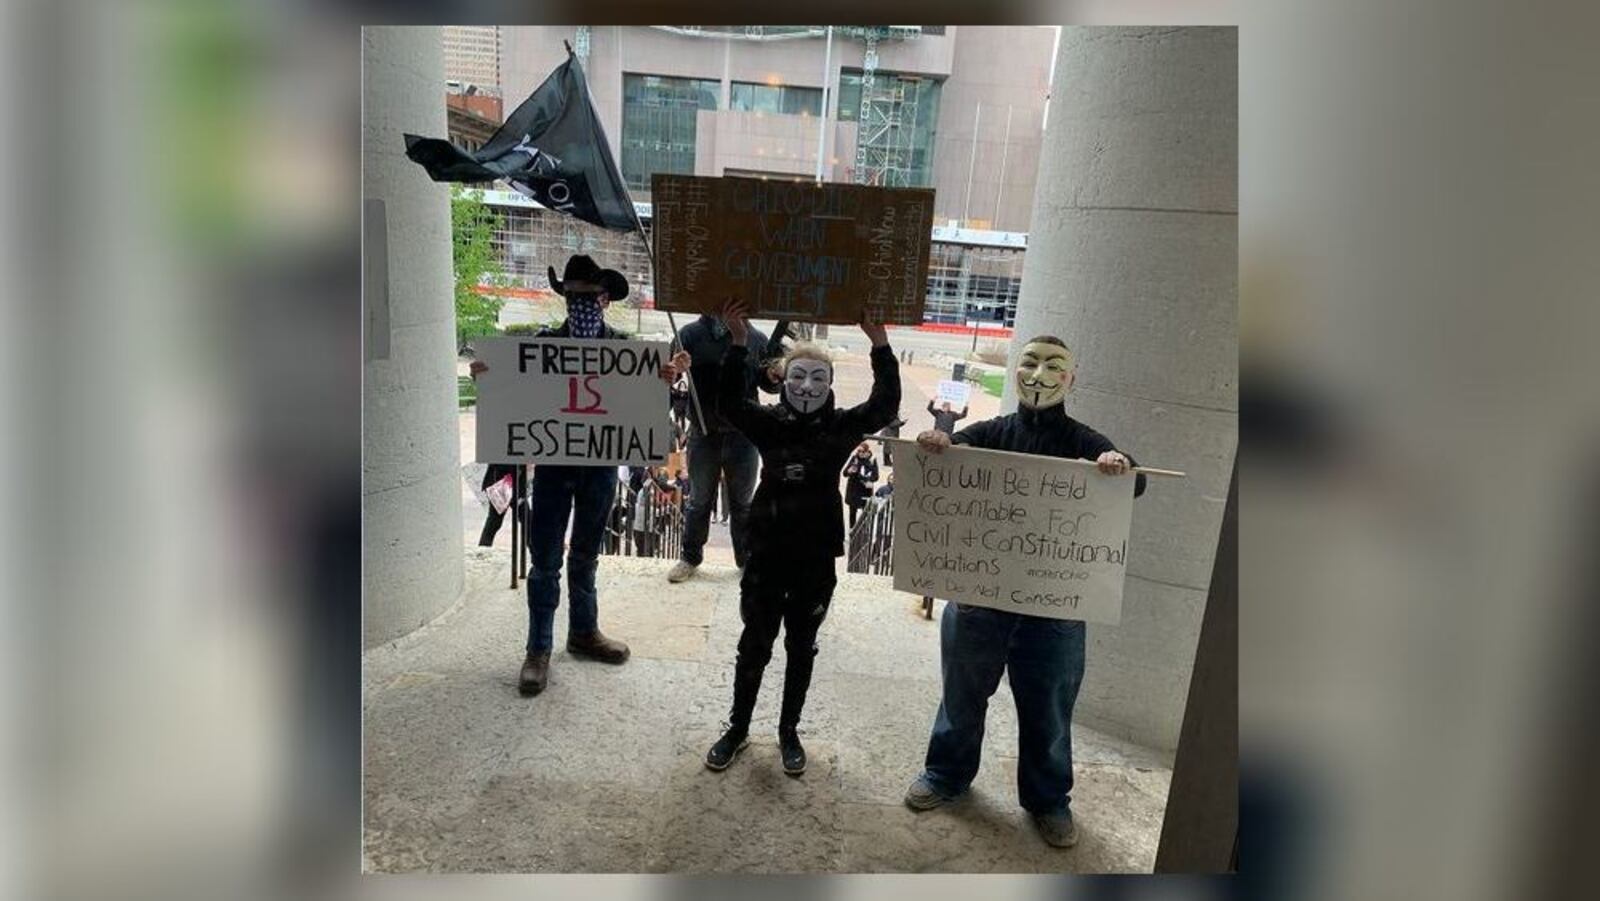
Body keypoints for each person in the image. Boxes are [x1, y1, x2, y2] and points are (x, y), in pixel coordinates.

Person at [903, 335, 1147, 849]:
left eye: (1053, 366)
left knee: (1050, 712)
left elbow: (1136, 482)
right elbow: (949, 455)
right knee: (961, 697)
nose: (1039, 374)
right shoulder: (991, 431)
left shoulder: (1082, 438)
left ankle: (1048, 800)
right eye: (1030, 362)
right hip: (979, 601)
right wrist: (940, 442)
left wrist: (1118, 462)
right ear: (1016, 371)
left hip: (1053, 611)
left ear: (1070, 379)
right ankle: (946, 775)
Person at [469, 255, 688, 697]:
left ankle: (583, 633)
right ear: (565, 299)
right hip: (553, 469)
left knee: (586, 555)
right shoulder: (542, 346)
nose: (581, 304)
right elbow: (515, 397)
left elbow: (641, 413)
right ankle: (538, 649)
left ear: (605, 300)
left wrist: (663, 382)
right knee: (545, 561)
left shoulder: (626, 352)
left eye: (589, 297)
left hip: (600, 469)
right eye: (573, 296)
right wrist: (489, 378)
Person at [704, 299, 900, 776]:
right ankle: (738, 727)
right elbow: (729, 404)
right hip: (768, 549)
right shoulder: (769, 423)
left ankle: (788, 731)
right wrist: (737, 343)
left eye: (817, 378)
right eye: (798, 377)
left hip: (814, 552)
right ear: (784, 380)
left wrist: (880, 345)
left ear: (830, 384)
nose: (807, 387)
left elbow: (884, 406)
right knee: (755, 642)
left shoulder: (841, 426)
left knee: (801, 644)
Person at [666, 309, 779, 582]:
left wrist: (774, 375)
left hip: (744, 436)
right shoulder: (689, 335)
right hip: (703, 434)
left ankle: (746, 560)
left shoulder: (756, 338)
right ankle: (690, 557)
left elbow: (768, 384)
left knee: (743, 503)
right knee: (698, 501)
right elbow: (667, 376)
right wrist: (675, 369)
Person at [477, 463, 519, 546]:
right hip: (502, 483)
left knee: (526, 517)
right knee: (494, 521)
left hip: (512, 481)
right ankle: (484, 546)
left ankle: (536, 549)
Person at [842, 443, 880, 528]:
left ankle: (865, 529)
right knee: (852, 512)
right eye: (858, 451)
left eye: (862, 451)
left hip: (865, 490)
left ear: (867, 452)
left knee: (865, 512)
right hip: (853, 489)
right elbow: (844, 473)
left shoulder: (872, 460)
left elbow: (876, 476)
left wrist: (867, 479)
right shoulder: (854, 458)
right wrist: (849, 471)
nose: (860, 453)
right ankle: (852, 529)